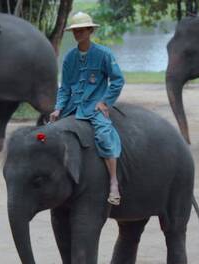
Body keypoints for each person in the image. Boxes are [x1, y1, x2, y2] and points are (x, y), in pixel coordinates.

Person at [50, 12, 125, 206]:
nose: (77, 33)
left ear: (90, 30)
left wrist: (105, 102)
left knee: (104, 136)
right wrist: (58, 108)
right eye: (75, 30)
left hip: (93, 107)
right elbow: (65, 87)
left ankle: (113, 182)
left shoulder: (104, 54)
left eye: (81, 30)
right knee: (48, 133)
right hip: (71, 107)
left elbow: (118, 80)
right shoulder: (69, 58)